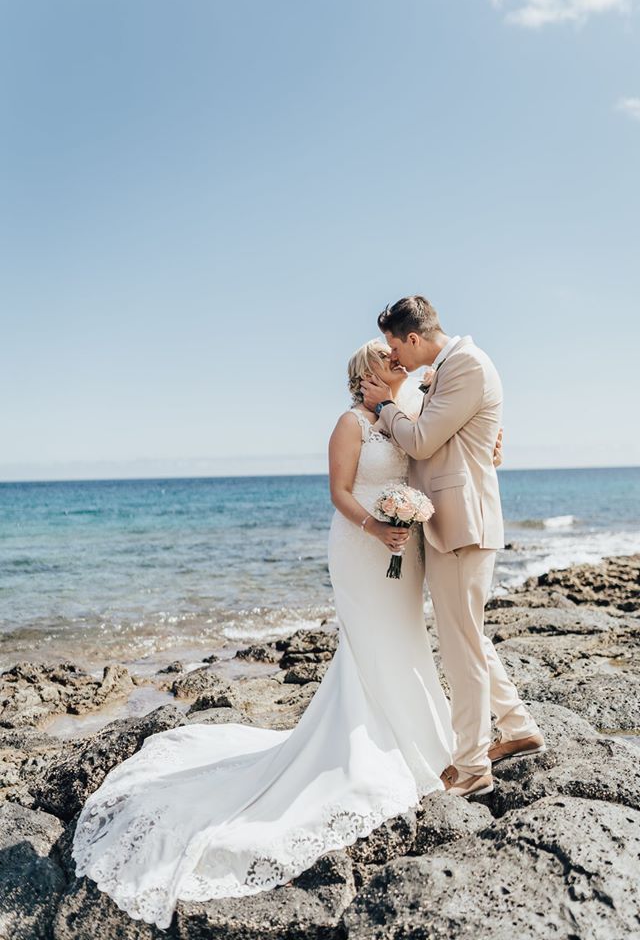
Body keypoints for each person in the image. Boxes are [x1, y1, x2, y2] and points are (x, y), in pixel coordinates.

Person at [70, 339, 455, 931]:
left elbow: (432, 455)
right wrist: (379, 527)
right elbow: (340, 493)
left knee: (404, 640)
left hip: (404, 551)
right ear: (364, 373)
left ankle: (421, 739)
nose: (398, 367)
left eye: (399, 362)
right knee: (368, 644)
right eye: (388, 361)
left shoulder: (400, 422)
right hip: (362, 546)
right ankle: (368, 746)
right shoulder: (349, 423)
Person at [362, 295, 546, 799]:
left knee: (461, 648)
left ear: (414, 338)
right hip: (453, 520)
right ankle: (518, 726)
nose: (393, 355)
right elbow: (454, 443)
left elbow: (421, 441)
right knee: (468, 636)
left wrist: (383, 407)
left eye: (395, 344)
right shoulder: (447, 368)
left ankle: (471, 766)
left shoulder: (465, 364)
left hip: (464, 526)